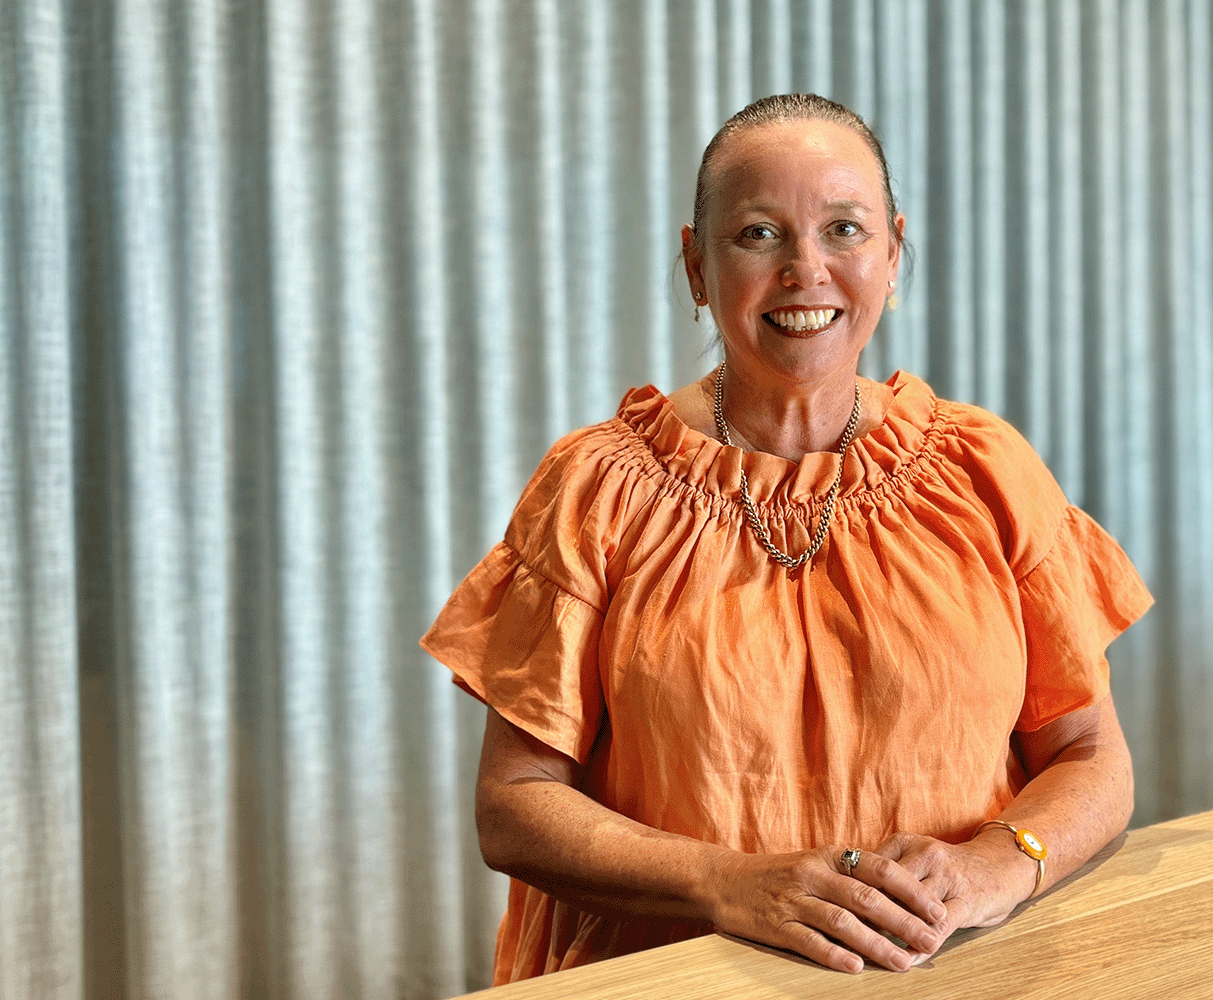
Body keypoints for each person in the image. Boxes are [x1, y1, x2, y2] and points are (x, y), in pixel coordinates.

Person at [421, 93, 1152, 984]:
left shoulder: (985, 467)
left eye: (844, 229)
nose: (807, 270)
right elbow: (516, 807)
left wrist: (1000, 861)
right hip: (674, 978)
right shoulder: (595, 488)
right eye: (759, 235)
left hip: (968, 970)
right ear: (696, 266)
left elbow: (1090, 756)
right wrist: (726, 883)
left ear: (892, 254)